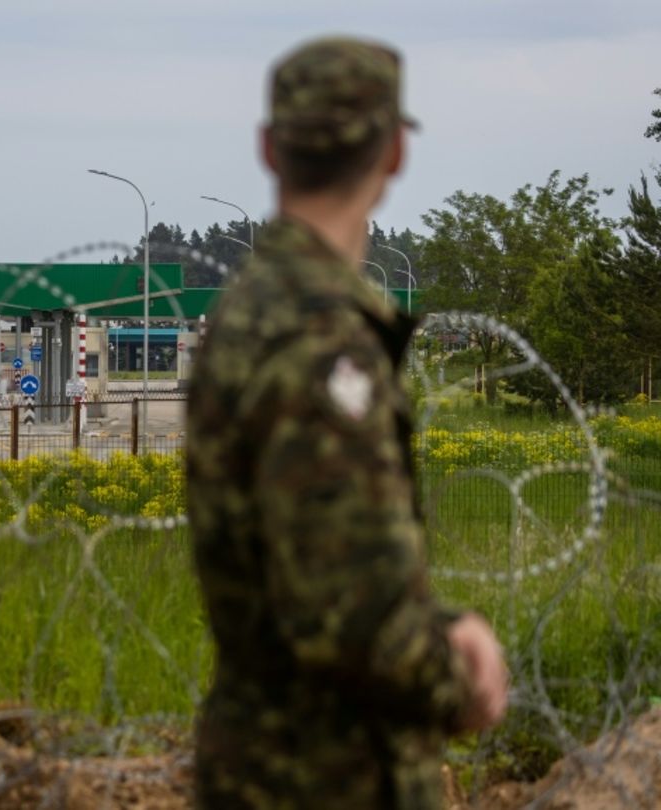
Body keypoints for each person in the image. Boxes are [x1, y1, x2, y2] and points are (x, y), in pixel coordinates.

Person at [185, 36, 509, 809]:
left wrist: (440, 618)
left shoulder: (247, 312)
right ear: (394, 153)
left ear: (269, 148)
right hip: (327, 778)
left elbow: (316, 551)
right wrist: (457, 684)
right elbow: (347, 612)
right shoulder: (324, 341)